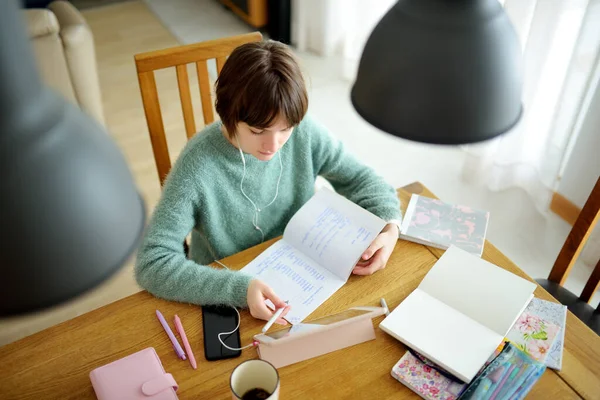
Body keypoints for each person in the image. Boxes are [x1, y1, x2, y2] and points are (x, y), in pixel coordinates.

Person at [135, 40, 402, 327]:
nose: (273, 145)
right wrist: (238, 289)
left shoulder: (304, 132)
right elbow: (153, 262)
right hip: (225, 283)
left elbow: (362, 178)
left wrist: (389, 226)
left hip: (301, 273)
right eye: (258, 130)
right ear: (228, 116)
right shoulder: (197, 165)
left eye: (285, 129)